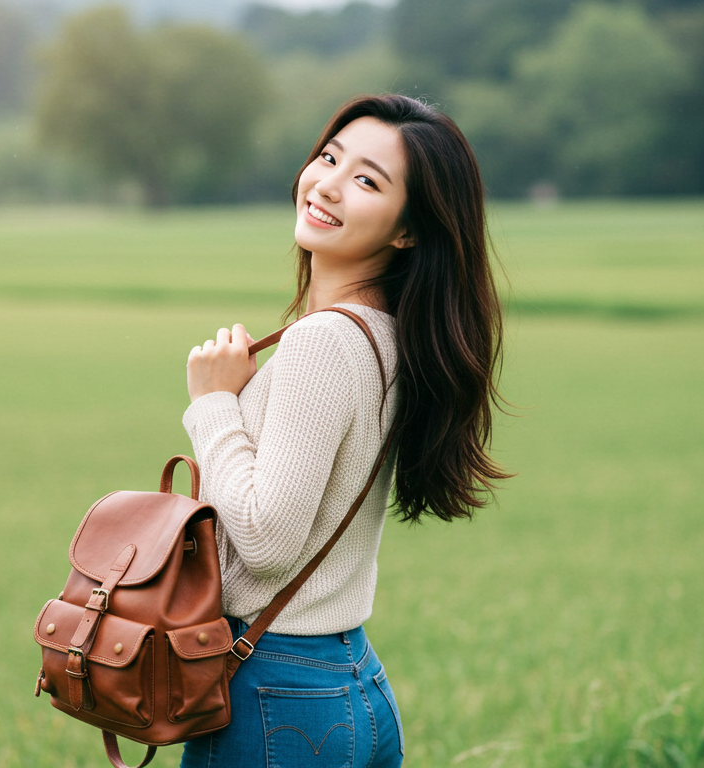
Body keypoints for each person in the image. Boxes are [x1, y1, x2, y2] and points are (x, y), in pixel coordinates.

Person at [179, 94, 507, 768]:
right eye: (329, 158)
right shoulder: (389, 336)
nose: (327, 182)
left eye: (366, 180)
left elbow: (267, 540)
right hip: (352, 683)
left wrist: (212, 404)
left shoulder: (323, 342)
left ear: (408, 231)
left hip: (273, 694)